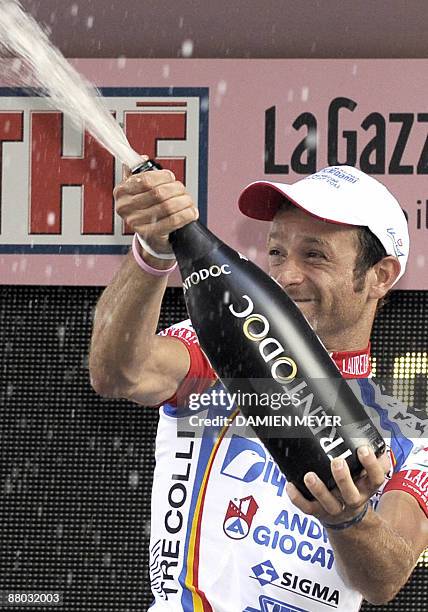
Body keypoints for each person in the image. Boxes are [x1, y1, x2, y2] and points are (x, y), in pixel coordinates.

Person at [89, 160, 428, 612]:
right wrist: (153, 252)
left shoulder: (409, 430)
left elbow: (385, 579)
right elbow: (117, 373)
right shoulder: (222, 342)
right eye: (276, 253)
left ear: (380, 275)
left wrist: (348, 520)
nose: (286, 274)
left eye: (315, 255)